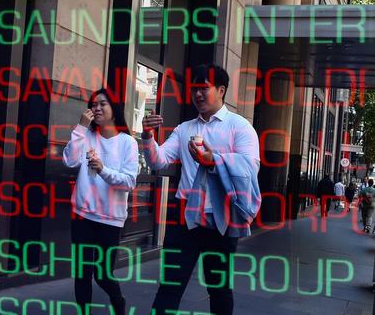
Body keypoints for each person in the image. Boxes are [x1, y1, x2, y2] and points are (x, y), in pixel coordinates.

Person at [141, 64, 260, 315]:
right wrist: (148, 137)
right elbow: (159, 161)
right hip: (184, 219)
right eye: (195, 88)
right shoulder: (185, 129)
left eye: (204, 88)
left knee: (218, 289)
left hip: (221, 221)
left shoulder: (239, 127)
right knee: (170, 286)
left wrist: (213, 159)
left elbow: (250, 169)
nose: (197, 94)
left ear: (221, 89)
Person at [62, 88, 139, 315]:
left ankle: (118, 301)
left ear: (114, 109)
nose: (96, 108)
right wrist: (80, 127)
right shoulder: (86, 135)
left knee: (104, 274)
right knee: (82, 274)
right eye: (93, 104)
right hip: (83, 216)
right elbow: (69, 161)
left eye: (102, 104)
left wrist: (103, 170)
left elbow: (128, 182)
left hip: (110, 220)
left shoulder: (128, 143)